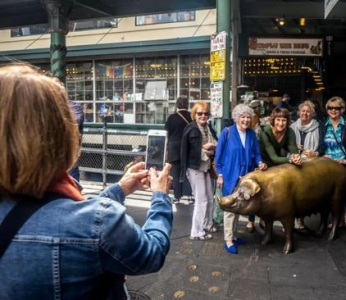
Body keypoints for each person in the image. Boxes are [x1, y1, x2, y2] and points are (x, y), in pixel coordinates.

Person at [0, 64, 174, 300]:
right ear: (62, 135)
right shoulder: (99, 222)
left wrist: (119, 190)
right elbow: (151, 254)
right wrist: (160, 197)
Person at [215, 104, 267, 254]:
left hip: (245, 176)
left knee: (238, 207)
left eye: (248, 117)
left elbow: (256, 153)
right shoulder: (227, 132)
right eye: (243, 117)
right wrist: (220, 174)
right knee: (229, 208)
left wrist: (260, 162)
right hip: (229, 175)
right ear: (237, 117)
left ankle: (234, 235)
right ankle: (228, 240)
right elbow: (218, 156)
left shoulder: (251, 134)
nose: (245, 120)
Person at [258, 107, 302, 230]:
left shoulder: (290, 132)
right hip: (263, 160)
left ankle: (287, 217)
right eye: (278, 120)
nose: (281, 123)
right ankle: (262, 218)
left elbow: (293, 150)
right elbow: (273, 157)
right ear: (273, 120)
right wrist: (290, 160)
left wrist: (296, 157)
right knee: (264, 191)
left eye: (283, 120)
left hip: (278, 159)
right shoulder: (265, 132)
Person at [180, 101, 218, 240]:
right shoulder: (191, 128)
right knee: (201, 200)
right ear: (194, 114)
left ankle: (207, 224)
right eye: (200, 113)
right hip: (194, 167)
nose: (203, 116)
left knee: (209, 198)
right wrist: (206, 149)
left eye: (205, 113)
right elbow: (188, 150)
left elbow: (215, 143)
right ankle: (196, 231)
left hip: (205, 167)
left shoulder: (208, 127)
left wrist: (208, 147)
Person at [290, 100, 320, 229]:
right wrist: (293, 146)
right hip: (294, 161)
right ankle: (292, 218)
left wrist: (316, 153)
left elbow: (323, 146)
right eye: (303, 111)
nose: (305, 113)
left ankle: (301, 218)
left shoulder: (319, 127)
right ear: (299, 113)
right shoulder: (292, 127)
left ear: (312, 114)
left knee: (305, 193)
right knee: (293, 192)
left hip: (310, 163)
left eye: (308, 111)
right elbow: (285, 144)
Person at [317, 96, 346, 227]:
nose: (333, 110)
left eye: (337, 108)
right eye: (331, 108)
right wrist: (319, 154)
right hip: (328, 165)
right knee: (329, 193)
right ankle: (335, 219)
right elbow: (321, 146)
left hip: (343, 162)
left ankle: (343, 217)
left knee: (343, 192)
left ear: (342, 110)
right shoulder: (323, 125)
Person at [165, 97, 194, 204]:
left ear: (177, 105)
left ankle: (177, 197)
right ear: (187, 105)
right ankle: (191, 196)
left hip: (174, 149)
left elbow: (168, 133)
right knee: (188, 173)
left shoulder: (171, 118)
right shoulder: (191, 117)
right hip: (187, 148)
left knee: (176, 174)